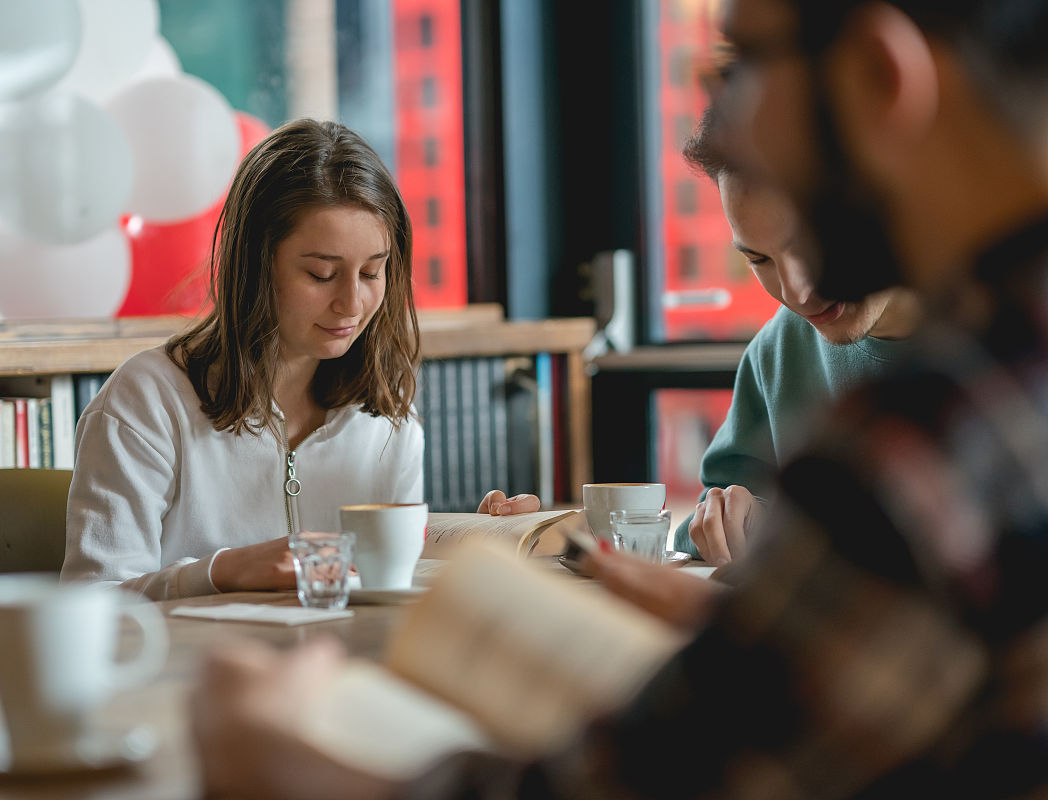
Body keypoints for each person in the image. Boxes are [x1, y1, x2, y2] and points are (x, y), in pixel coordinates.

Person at [190, 0, 1048, 796]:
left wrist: (275, 751)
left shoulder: (949, 426)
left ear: (878, 78)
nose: (732, 121)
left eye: (743, 66)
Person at [61, 119, 424, 600]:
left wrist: (482, 541)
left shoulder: (389, 418)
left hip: (334, 668)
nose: (352, 304)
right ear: (255, 263)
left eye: (373, 272)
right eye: (320, 274)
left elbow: (393, 592)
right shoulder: (146, 400)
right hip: (190, 672)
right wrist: (219, 572)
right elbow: (91, 600)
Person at [673, 107, 922, 564]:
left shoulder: (1003, 339)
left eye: (806, 244)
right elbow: (708, 521)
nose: (796, 293)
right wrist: (734, 522)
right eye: (759, 260)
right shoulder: (776, 352)